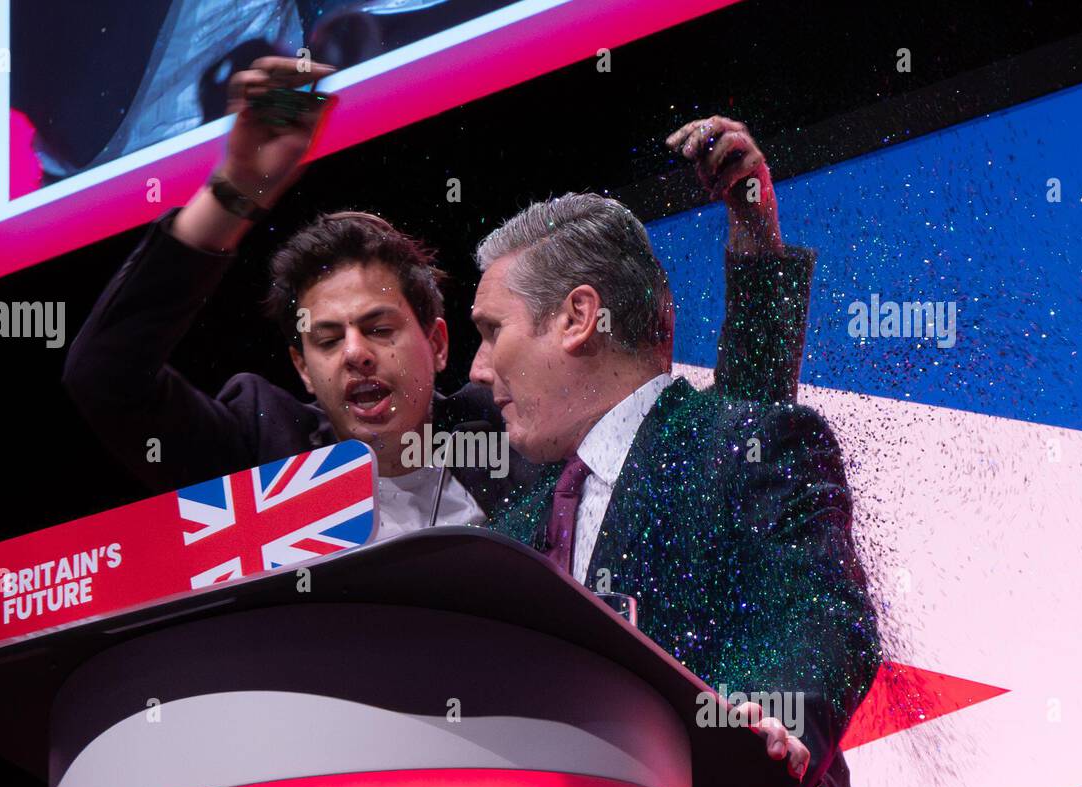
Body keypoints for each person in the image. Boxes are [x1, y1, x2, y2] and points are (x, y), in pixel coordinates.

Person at [64, 62, 814, 546]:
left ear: (442, 344)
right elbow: (105, 376)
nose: (354, 351)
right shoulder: (262, 447)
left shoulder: (521, 428)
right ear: (300, 366)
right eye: (325, 340)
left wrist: (755, 231)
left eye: (379, 327)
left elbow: (734, 438)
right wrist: (235, 187)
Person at [468, 155, 884, 787]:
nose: (476, 368)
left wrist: (766, 724)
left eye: (491, 330)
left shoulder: (748, 445)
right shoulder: (503, 540)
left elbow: (818, 617)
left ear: (576, 316)